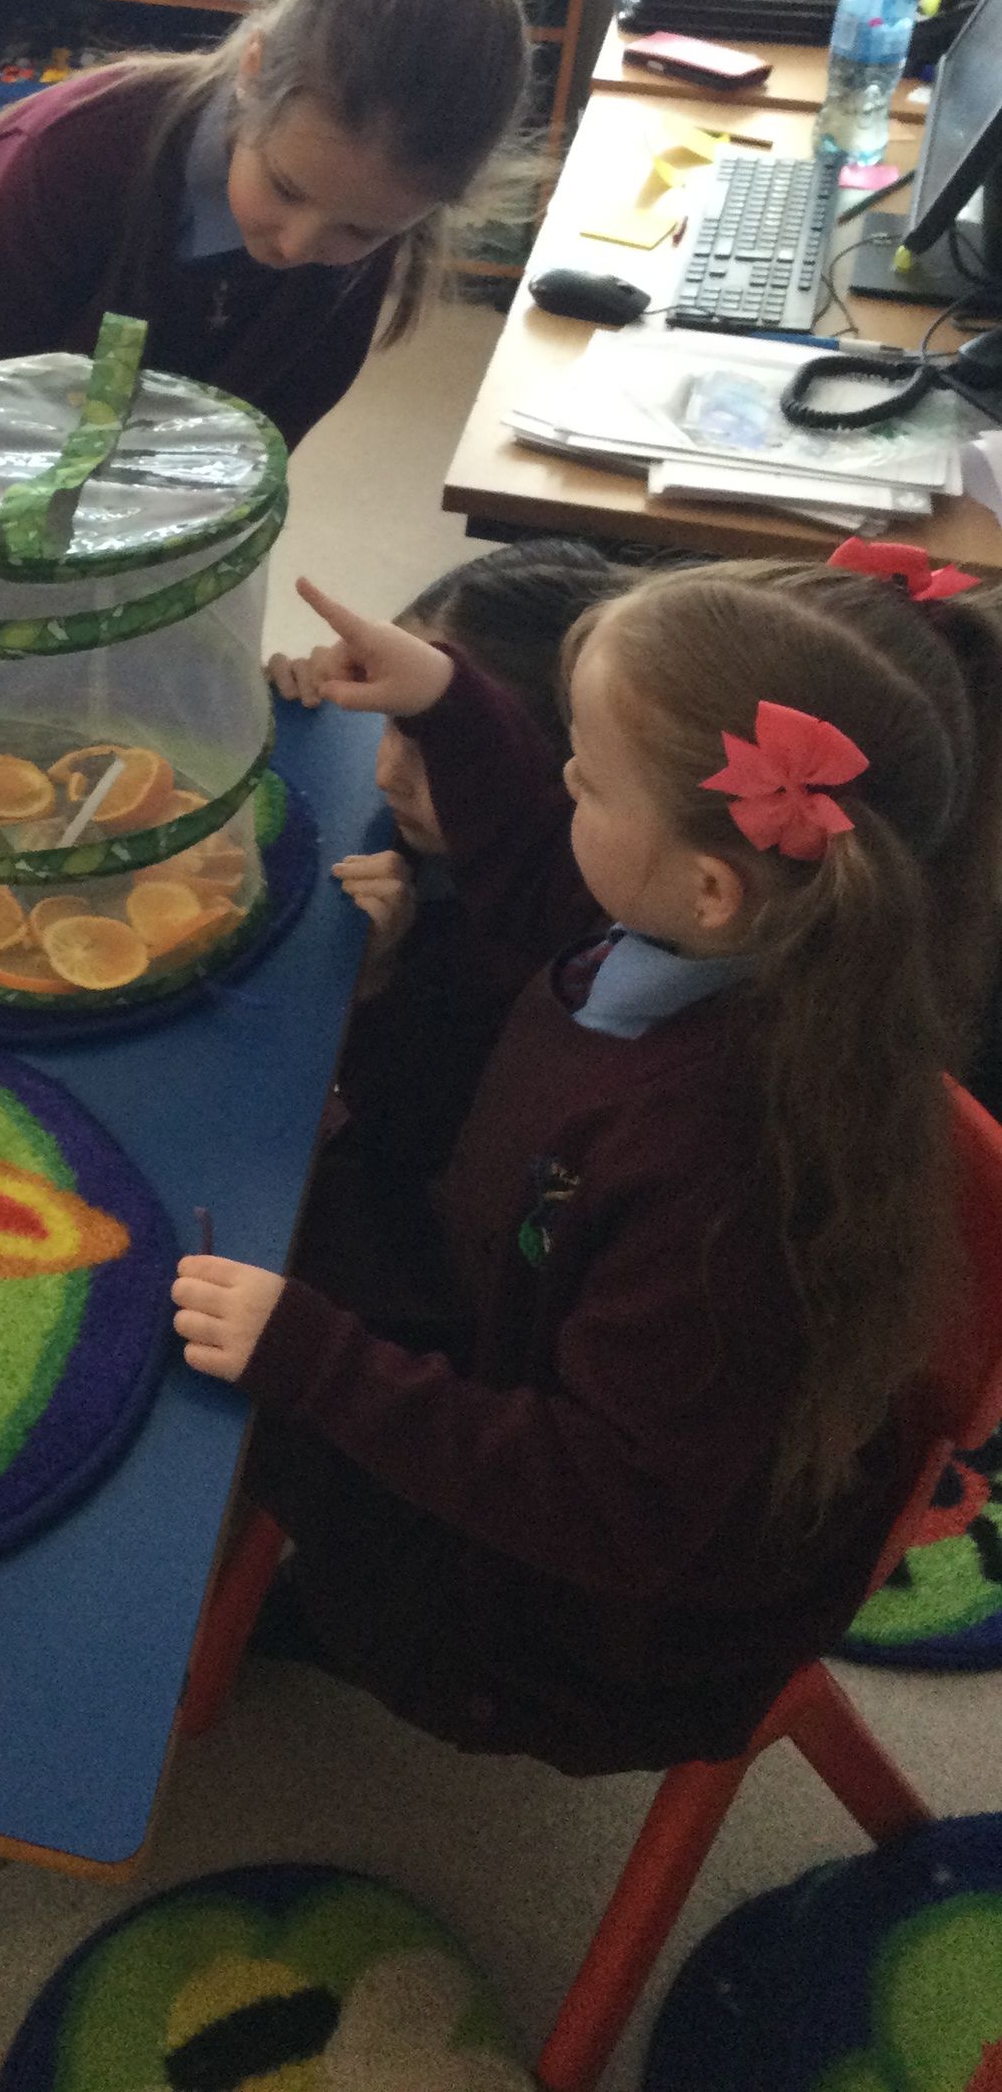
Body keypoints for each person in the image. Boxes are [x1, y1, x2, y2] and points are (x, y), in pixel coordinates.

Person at [173, 551, 1002, 1773]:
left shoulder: (720, 1180)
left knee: (210, 1361)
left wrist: (319, 1361)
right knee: (266, 1208)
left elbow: (609, 1507)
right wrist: (446, 700)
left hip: (575, 1635)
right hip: (524, 1336)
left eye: (587, 778)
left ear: (708, 883)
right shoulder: (723, 942)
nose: (553, 783)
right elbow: (534, 867)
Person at [0, 0, 529, 447]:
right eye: (285, 188)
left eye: (360, 233)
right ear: (254, 68)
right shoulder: (57, 157)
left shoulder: (366, 195)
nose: (298, 247)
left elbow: (264, 438)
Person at [271, 542, 628, 1329]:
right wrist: (306, 711)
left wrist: (380, 984)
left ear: (561, 767)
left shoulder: (544, 949)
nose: (385, 773)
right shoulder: (468, 858)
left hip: (421, 1272)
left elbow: (413, 1140)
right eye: (388, 725)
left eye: (431, 739)